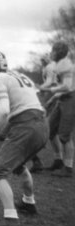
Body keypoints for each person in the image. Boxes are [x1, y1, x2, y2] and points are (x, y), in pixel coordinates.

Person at [0, 51, 48, 226]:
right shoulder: (18, 75)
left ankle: (10, 218)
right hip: (42, 124)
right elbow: (22, 108)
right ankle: (29, 202)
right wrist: (4, 135)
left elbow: (3, 111)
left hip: (26, 126)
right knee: (19, 165)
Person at [40, 41, 75, 178]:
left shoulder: (65, 65)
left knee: (65, 135)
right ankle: (58, 160)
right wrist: (52, 99)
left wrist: (49, 89)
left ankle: (68, 167)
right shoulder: (60, 64)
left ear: (59, 52)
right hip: (63, 99)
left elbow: (67, 87)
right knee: (50, 130)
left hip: (70, 100)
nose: (51, 53)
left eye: (53, 50)